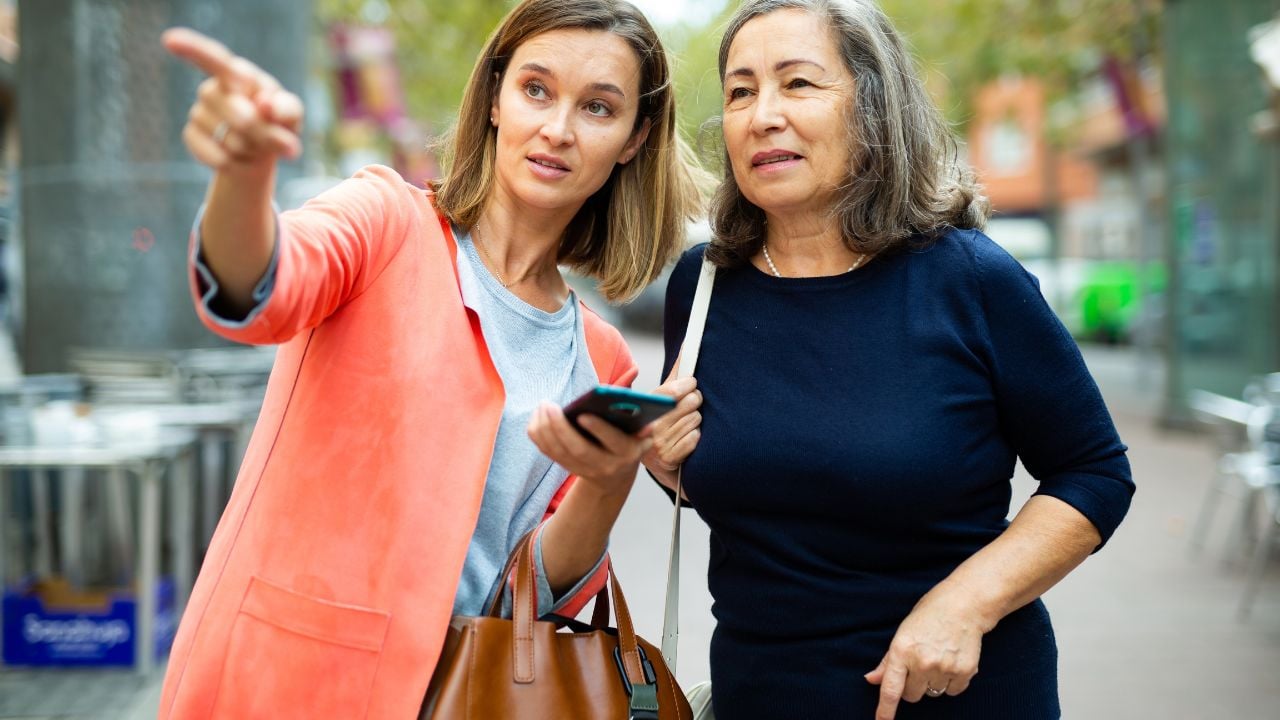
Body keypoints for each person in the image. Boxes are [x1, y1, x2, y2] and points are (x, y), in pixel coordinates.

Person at [157, 1, 703, 717]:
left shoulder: (602, 359)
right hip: (284, 682)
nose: (558, 129)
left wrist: (609, 479)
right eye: (536, 89)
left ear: (633, 139)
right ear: (496, 99)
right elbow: (263, 284)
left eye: (598, 107)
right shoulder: (385, 222)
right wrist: (243, 175)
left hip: (461, 697)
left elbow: (531, 590)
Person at [643, 1, 1135, 718]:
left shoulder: (970, 279)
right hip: (762, 695)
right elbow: (762, 486)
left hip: (958, 696)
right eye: (741, 91)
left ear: (874, 108)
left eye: (798, 83)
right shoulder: (703, 285)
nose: (762, 115)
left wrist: (966, 603)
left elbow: (1094, 471)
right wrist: (668, 468)